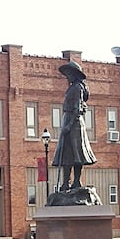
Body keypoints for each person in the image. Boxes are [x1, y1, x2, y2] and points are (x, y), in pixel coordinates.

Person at [51, 60, 97, 191]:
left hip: (74, 122)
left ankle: (76, 181)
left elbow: (77, 108)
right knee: (67, 153)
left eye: (69, 74)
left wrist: (69, 125)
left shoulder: (77, 87)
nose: (67, 77)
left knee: (77, 153)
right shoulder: (72, 87)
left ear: (75, 74)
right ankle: (66, 183)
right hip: (69, 120)